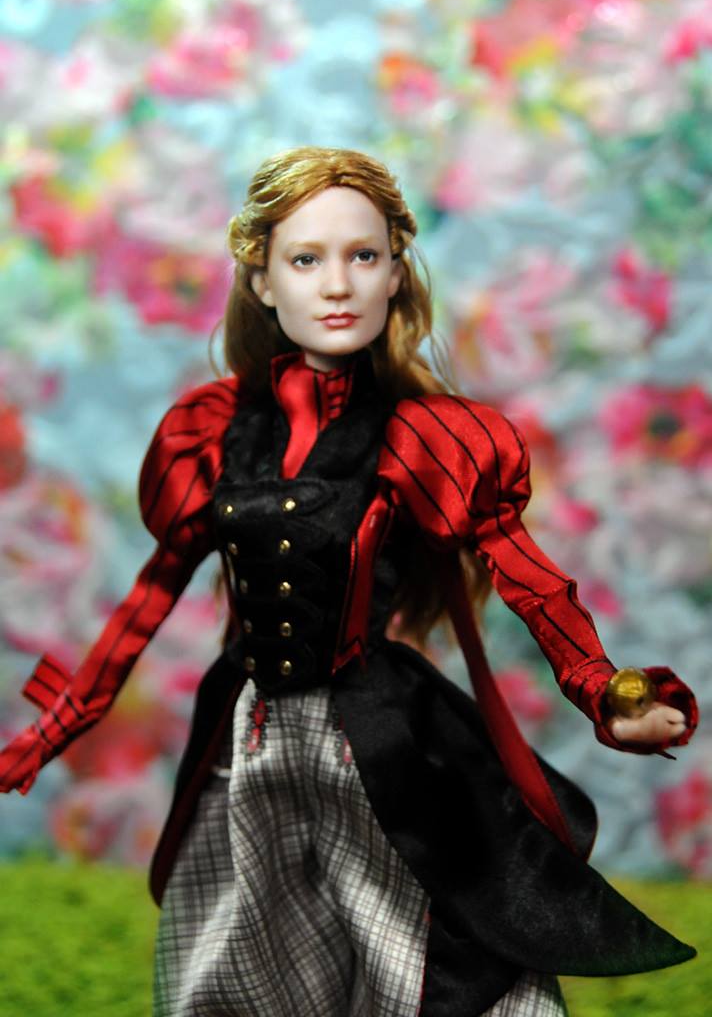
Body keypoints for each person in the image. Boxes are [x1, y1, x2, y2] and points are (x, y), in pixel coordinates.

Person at [0, 147, 698, 1017]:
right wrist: (50, 731)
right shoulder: (212, 431)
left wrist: (606, 691)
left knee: (410, 946)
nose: (338, 285)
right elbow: (147, 599)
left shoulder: (426, 435)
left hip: (376, 737)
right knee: (243, 949)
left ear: (396, 271)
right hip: (250, 743)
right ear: (262, 280)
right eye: (306, 260)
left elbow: (528, 576)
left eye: (363, 256)